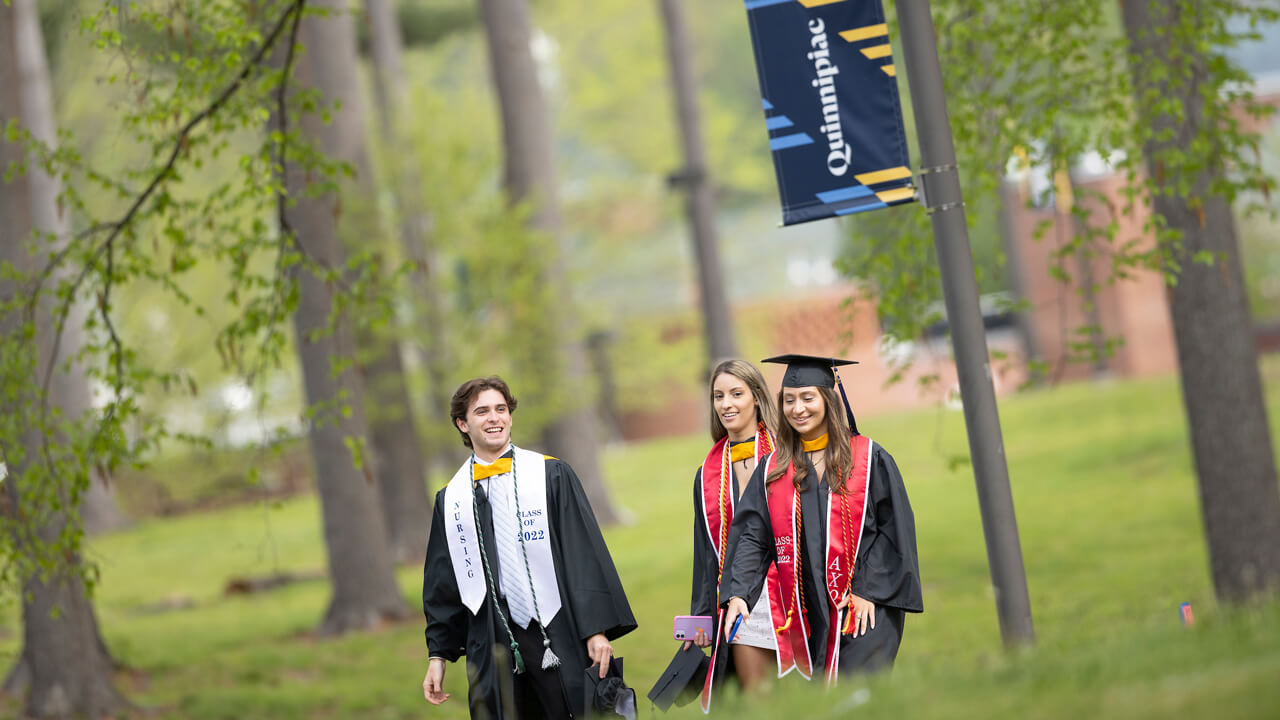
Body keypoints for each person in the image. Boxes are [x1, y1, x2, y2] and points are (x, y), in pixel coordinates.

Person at [422, 376, 637, 719]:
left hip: (555, 629)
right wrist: (439, 656)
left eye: (501, 409)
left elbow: (583, 555)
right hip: (492, 634)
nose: (494, 418)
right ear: (463, 423)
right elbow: (443, 582)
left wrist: (596, 631)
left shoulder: (550, 476)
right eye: (482, 412)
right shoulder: (452, 500)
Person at [719, 355, 922, 686]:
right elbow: (752, 537)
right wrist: (739, 593)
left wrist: (868, 591)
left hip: (863, 607)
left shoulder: (869, 459)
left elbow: (894, 531)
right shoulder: (773, 469)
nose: (797, 408)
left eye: (807, 397)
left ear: (828, 399)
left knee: (858, 695)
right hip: (808, 609)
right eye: (789, 399)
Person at [684, 360, 780, 709]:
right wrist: (699, 622)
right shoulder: (707, 475)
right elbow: (705, 554)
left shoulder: (786, 457)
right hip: (742, 601)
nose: (727, 404)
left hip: (789, 598)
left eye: (736, 394)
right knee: (757, 700)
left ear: (756, 397)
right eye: (718, 396)